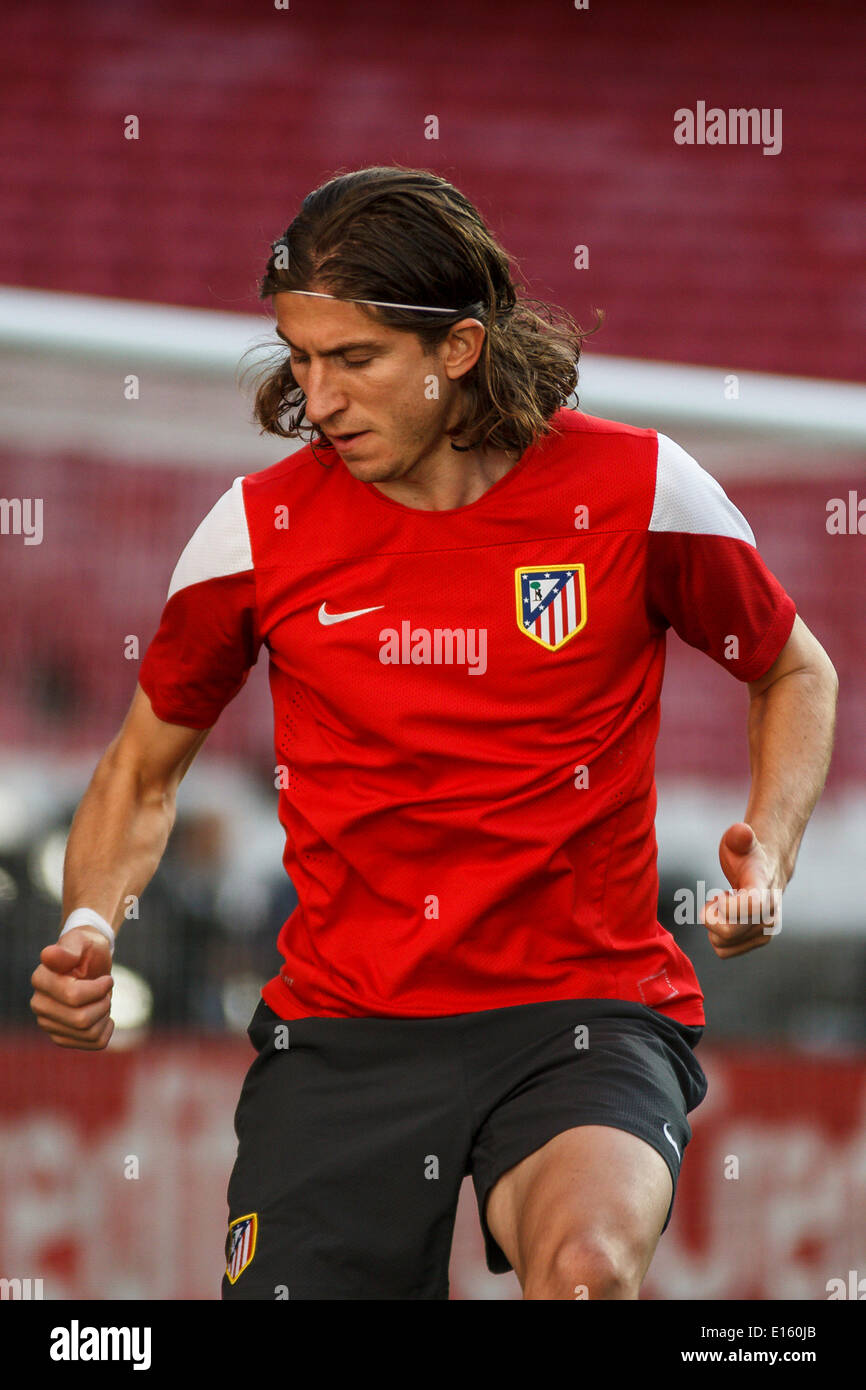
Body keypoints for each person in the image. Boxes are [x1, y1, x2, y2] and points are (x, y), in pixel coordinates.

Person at [29, 166, 838, 1301]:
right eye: (298, 358)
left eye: (352, 359)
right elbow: (138, 775)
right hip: (344, 1028)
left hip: (581, 1011)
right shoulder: (251, 533)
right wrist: (86, 923)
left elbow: (794, 670)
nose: (319, 397)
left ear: (456, 349)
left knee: (588, 1271)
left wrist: (771, 839)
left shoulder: (640, 487)